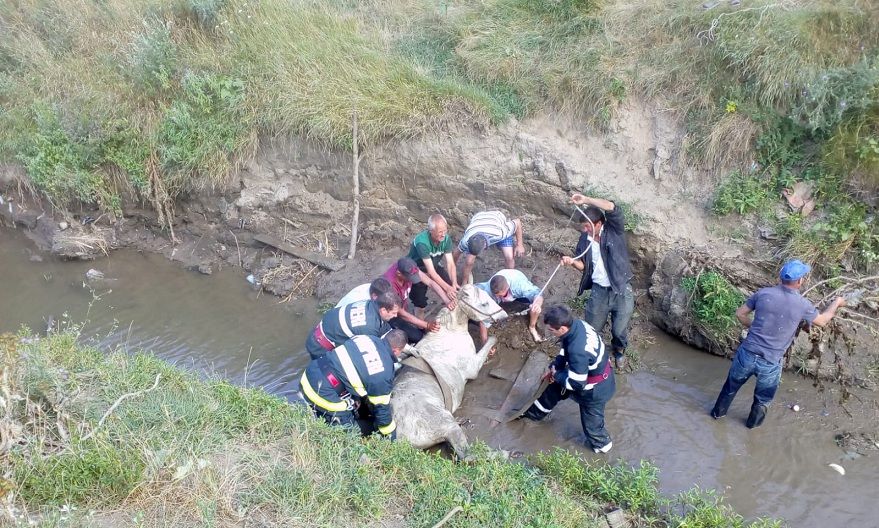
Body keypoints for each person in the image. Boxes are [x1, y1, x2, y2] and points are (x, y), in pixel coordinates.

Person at [710, 260, 846, 428]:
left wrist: (755, 326)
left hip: (747, 354)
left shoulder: (763, 294)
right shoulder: (803, 305)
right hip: (770, 362)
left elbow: (740, 314)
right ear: (799, 281)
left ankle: (717, 416)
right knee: (763, 400)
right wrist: (837, 303)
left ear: (780, 277)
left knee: (730, 387)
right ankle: (751, 430)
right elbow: (823, 321)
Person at [521, 306, 615, 454]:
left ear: (562, 328)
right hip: (587, 373)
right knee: (552, 389)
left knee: (593, 428)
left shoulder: (578, 350)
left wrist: (556, 374)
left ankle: (604, 448)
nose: (550, 333)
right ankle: (532, 416)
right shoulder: (578, 325)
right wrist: (555, 366)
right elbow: (565, 349)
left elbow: (577, 384)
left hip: (594, 390)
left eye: (552, 330)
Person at [560, 193, 634, 369]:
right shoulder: (584, 239)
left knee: (618, 329)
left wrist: (586, 200)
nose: (584, 230)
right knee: (592, 328)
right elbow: (584, 266)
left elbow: (611, 206)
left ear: (598, 224)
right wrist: (571, 262)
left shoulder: (614, 230)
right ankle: (599, 354)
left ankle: (619, 350)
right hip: (599, 291)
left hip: (621, 289)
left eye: (587, 226)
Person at [300, 331, 407, 439]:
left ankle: (319, 420)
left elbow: (353, 362)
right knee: (350, 435)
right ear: (396, 350)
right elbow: (382, 409)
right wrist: (390, 435)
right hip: (323, 392)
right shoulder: (385, 373)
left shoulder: (365, 337)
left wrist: (355, 397)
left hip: (312, 371)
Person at [305, 291, 402, 359]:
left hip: (322, 331)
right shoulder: (369, 327)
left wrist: (402, 345)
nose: (396, 315)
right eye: (393, 313)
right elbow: (368, 353)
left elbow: (384, 328)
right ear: (383, 310)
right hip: (319, 346)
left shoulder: (370, 303)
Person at [381, 257, 444, 343]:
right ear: (399, 273)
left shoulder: (409, 268)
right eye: (410, 277)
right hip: (391, 315)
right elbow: (401, 313)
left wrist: (447, 300)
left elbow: (430, 282)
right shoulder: (390, 286)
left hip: (400, 306)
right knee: (417, 337)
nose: (413, 279)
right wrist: (427, 325)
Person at [407, 214, 459, 319]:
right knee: (420, 302)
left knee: (452, 289)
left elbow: (450, 263)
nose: (443, 234)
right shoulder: (422, 243)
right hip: (417, 269)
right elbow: (431, 272)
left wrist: (453, 284)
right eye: (440, 232)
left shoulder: (446, 239)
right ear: (431, 231)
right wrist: (447, 288)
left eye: (445, 231)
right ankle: (420, 325)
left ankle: (452, 313)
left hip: (433, 264)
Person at [454, 211, 526, 283]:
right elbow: (456, 253)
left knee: (509, 258)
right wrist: (452, 270)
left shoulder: (500, 233)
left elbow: (517, 222)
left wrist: (519, 245)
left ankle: (509, 282)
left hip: (496, 217)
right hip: (478, 217)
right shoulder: (466, 240)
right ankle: (464, 283)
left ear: (485, 246)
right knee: (469, 261)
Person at [475, 268, 545, 343]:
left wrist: (537, 304)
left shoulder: (519, 286)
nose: (500, 297)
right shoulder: (489, 291)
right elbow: (484, 320)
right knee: (477, 299)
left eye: (502, 295)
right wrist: (485, 343)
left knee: (535, 307)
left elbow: (538, 294)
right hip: (491, 288)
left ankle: (532, 327)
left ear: (507, 287)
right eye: (498, 296)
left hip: (517, 289)